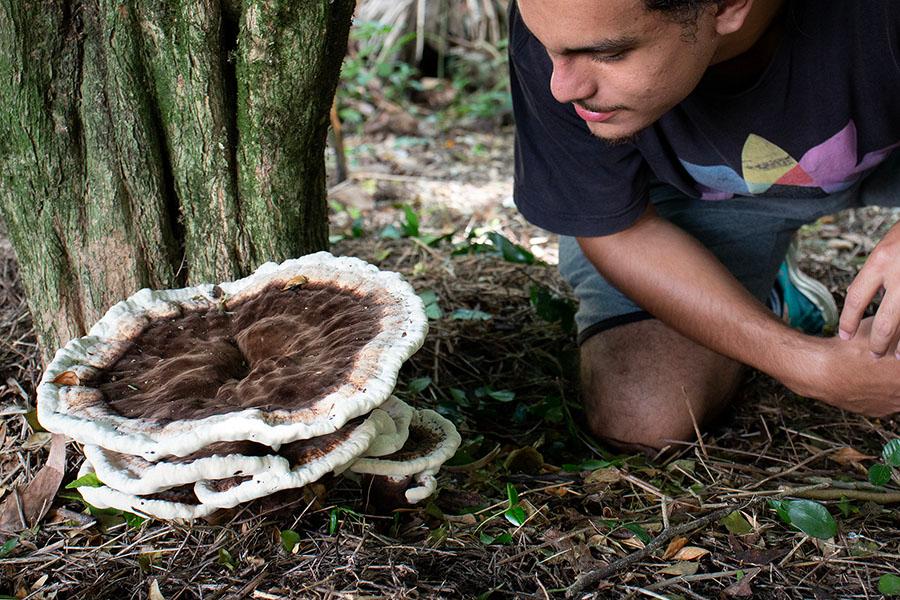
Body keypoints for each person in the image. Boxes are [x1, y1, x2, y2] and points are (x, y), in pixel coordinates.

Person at [508, 0, 900, 452]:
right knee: (640, 416)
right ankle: (766, 293)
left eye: (609, 54)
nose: (561, 88)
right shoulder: (561, 19)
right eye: (547, 48)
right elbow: (620, 232)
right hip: (699, 195)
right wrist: (808, 366)